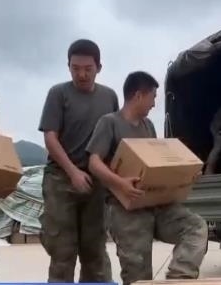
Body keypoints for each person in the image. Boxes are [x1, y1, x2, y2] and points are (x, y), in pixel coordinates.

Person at [87, 71, 209, 285]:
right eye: (153, 97)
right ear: (138, 95)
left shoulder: (148, 126)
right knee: (138, 273)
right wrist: (120, 184)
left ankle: (179, 278)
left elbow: (155, 165)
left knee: (195, 228)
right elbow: (93, 162)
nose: (154, 104)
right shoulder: (109, 123)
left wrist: (184, 176)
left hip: (155, 205)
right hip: (126, 210)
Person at [38, 39, 119, 282]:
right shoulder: (58, 93)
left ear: (99, 68)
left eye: (88, 69)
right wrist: (73, 172)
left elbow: (114, 139)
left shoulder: (109, 97)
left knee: (95, 252)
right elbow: (50, 137)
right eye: (75, 68)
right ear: (68, 67)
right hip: (61, 179)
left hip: (96, 182)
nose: (81, 74)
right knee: (62, 252)